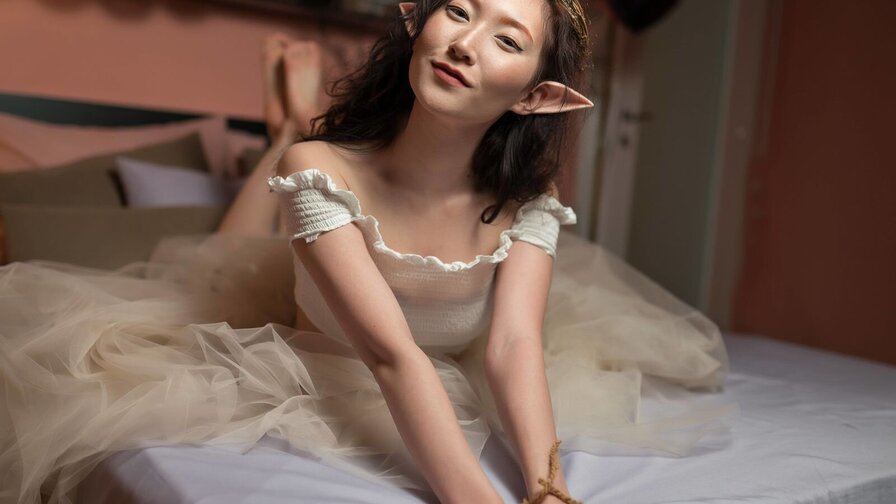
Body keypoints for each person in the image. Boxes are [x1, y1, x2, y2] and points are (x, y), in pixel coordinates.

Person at [0, 1, 740, 503]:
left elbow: (514, 346)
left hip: (439, 361)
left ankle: (283, 123)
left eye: (507, 40)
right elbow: (391, 357)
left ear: (536, 98)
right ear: (418, 21)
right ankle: (282, 129)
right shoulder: (319, 170)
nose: (465, 43)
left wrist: (549, 490)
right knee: (233, 243)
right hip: (329, 357)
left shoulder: (528, 206)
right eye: (459, 10)